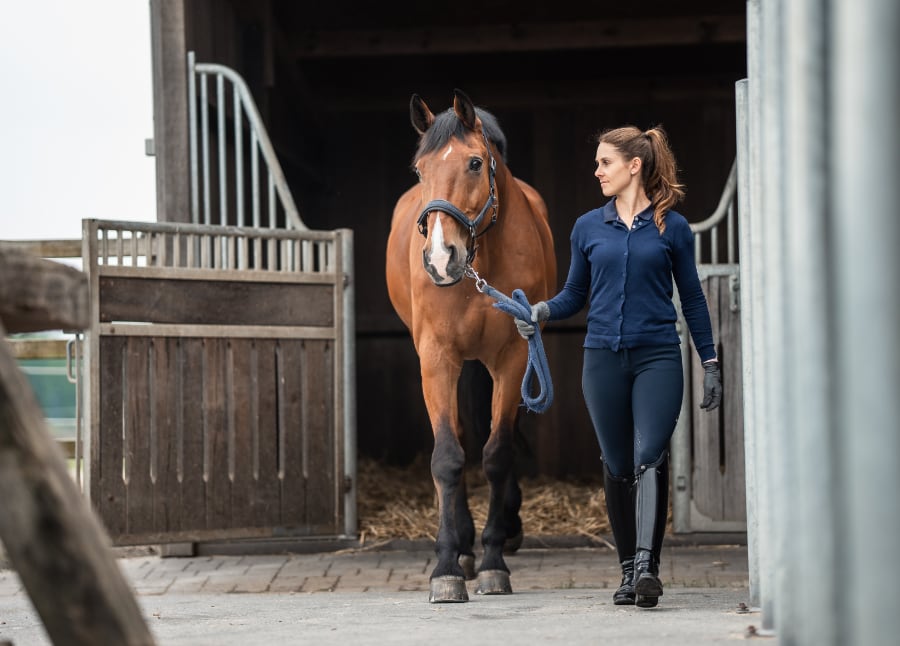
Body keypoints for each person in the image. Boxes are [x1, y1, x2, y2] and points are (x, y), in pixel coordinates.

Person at [515, 125, 722, 609]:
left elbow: (690, 296)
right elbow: (574, 296)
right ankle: (627, 570)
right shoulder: (588, 227)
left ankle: (648, 567)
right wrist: (541, 311)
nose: (597, 171)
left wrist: (709, 361)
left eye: (605, 162)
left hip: (657, 357)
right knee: (617, 464)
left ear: (634, 165)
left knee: (650, 454)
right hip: (602, 358)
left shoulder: (673, 227)